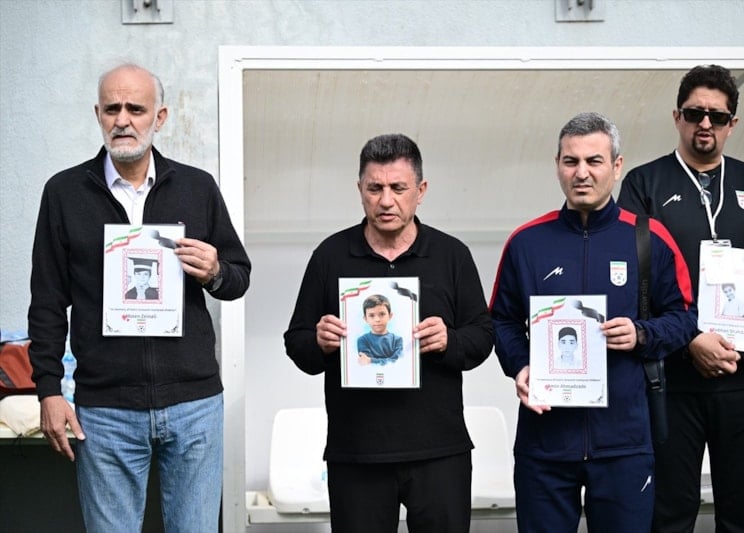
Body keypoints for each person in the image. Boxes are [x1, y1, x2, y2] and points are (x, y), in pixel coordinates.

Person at [27, 63, 251, 532]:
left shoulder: (197, 188)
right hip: (105, 410)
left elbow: (238, 277)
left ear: (160, 117)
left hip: (194, 406)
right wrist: (48, 388)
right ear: (98, 114)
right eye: (112, 109)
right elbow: (47, 300)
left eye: (136, 108)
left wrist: (215, 271)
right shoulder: (64, 193)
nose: (123, 120)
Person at [491, 112, 696, 533]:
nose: (581, 173)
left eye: (594, 161)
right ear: (557, 165)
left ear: (616, 166)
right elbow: (502, 320)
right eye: (571, 161)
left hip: (624, 444)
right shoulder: (526, 242)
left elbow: (686, 317)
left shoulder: (650, 238)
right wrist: (520, 366)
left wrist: (642, 333)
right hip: (545, 444)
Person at [284, 133, 493, 533]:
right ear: (359, 189)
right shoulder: (330, 256)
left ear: (421, 191)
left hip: (439, 450)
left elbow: (483, 336)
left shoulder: (452, 255)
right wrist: (319, 341)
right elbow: (297, 342)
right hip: (356, 453)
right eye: (374, 188)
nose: (385, 200)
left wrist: (449, 341)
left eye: (398, 188)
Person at [618, 64, 744, 532]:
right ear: (677, 116)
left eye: (717, 116)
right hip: (672, 377)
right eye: (695, 112)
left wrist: (742, 337)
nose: (705, 123)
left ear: (731, 123)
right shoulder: (644, 184)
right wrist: (691, 339)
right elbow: (634, 277)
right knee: (669, 511)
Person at [357, 294, 403, 365]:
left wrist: (371, 360)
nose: (377, 319)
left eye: (382, 314)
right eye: (371, 315)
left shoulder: (397, 340)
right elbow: (365, 363)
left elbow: (398, 362)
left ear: (390, 316)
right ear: (365, 319)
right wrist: (388, 360)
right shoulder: (362, 340)